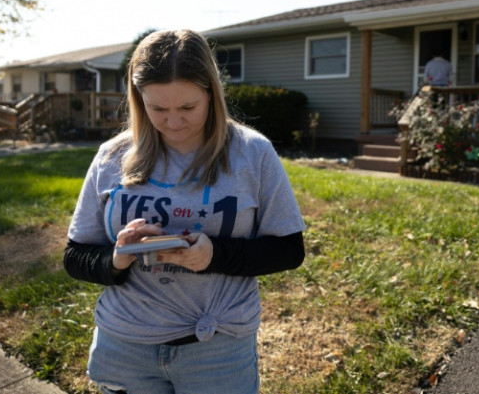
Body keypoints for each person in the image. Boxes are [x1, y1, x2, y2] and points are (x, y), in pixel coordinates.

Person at [63, 29, 305, 394]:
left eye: (187, 107)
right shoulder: (112, 157)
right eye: (158, 108)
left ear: (212, 93)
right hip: (124, 347)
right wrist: (117, 258)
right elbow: (75, 255)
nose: (173, 122)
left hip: (217, 350)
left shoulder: (252, 154)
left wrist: (214, 254)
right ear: (137, 98)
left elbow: (289, 249)